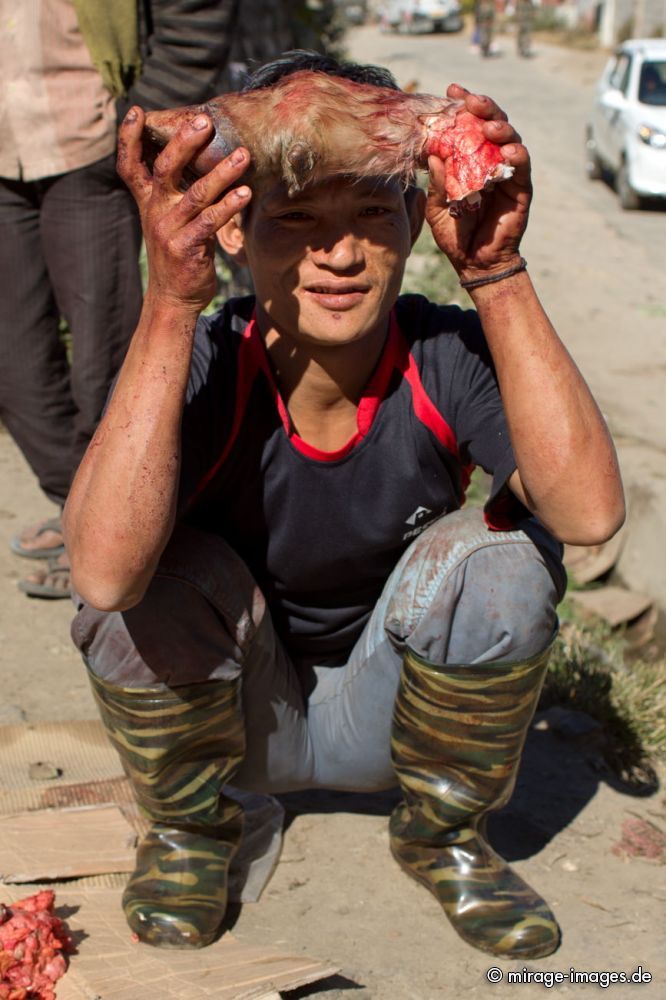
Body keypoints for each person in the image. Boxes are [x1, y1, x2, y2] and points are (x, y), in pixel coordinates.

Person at [63, 51, 625, 958]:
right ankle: (195, 830)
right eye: (295, 218)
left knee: (506, 559)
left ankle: (441, 832)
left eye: (372, 211)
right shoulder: (207, 365)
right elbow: (98, 571)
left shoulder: (447, 357)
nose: (338, 252)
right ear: (236, 234)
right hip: (241, 726)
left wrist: (499, 272)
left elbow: (591, 515)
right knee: (138, 571)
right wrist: (170, 301)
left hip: (397, 727)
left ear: (413, 219)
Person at [0, 0, 240, 598]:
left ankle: (113, 535)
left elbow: (195, 15)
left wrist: (135, 121)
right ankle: (78, 513)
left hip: (86, 151)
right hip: (5, 153)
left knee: (105, 356)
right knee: (15, 362)